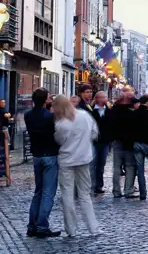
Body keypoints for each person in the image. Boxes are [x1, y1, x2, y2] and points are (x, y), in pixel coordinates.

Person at [52, 95, 100, 238]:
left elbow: (59, 140)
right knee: (85, 195)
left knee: (67, 195)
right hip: (84, 158)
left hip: (67, 160)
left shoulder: (62, 123)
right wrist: (84, 143)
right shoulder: (84, 115)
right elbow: (94, 133)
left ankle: (71, 229)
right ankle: (93, 227)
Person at [25, 88, 61, 238]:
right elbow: (56, 136)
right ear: (46, 99)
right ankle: (42, 225)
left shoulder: (28, 115)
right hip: (50, 155)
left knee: (38, 191)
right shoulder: (50, 117)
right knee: (48, 192)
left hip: (37, 155)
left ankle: (32, 225)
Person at [110, 87, 137, 198]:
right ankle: (128, 190)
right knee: (130, 166)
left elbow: (110, 124)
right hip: (130, 142)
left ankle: (116, 191)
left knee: (117, 167)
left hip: (117, 140)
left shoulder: (114, 109)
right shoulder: (133, 110)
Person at [91, 91, 113, 194]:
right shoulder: (91, 110)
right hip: (94, 141)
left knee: (101, 165)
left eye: (106, 97)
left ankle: (99, 186)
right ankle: (92, 185)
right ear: (98, 99)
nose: (105, 99)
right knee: (93, 164)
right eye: (103, 97)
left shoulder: (109, 111)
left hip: (105, 141)